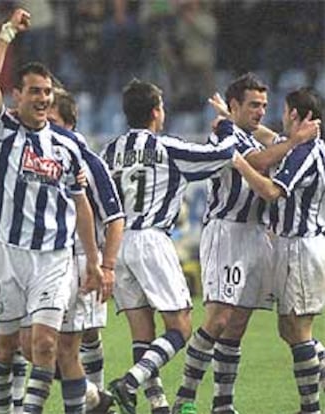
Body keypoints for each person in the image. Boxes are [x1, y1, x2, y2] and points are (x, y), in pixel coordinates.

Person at [0, 8, 104, 414]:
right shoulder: (0, 131)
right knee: (5, 346)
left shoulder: (67, 147)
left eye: (47, 93)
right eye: (34, 91)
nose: (43, 99)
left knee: (46, 344)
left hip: (52, 257)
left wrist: (95, 261)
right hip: (5, 253)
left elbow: (81, 204)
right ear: (19, 95)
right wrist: (8, 32)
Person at [172, 73, 319, 414]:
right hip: (228, 231)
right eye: (253, 105)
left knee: (238, 323)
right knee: (219, 318)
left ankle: (223, 405)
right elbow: (259, 163)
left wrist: (289, 141)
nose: (260, 112)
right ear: (234, 106)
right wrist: (294, 142)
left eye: (265, 106)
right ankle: (184, 397)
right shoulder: (225, 131)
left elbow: (268, 145)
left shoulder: (253, 135)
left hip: (258, 234)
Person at [102, 79, 241, 414]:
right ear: (155, 112)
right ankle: (130, 382)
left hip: (117, 242)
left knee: (142, 333)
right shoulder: (166, 148)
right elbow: (221, 156)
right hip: (151, 240)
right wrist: (226, 126)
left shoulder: (109, 151)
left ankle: (158, 405)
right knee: (180, 327)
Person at [231, 87, 323, 414]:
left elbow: (272, 191)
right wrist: (237, 119)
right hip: (298, 244)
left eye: (284, 111)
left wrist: (242, 165)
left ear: (295, 115)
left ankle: (310, 408)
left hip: (299, 246)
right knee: (289, 328)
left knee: (298, 331)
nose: (280, 117)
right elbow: (273, 137)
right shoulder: (314, 147)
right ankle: (317, 375)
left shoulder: (303, 152)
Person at [46, 87, 125, 413]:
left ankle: (94, 397)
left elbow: (115, 217)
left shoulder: (88, 162)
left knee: (65, 345)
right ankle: (94, 396)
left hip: (81, 260)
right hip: (48, 259)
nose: (45, 128)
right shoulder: (38, 159)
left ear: (70, 124)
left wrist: (106, 266)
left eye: (53, 121)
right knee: (36, 343)